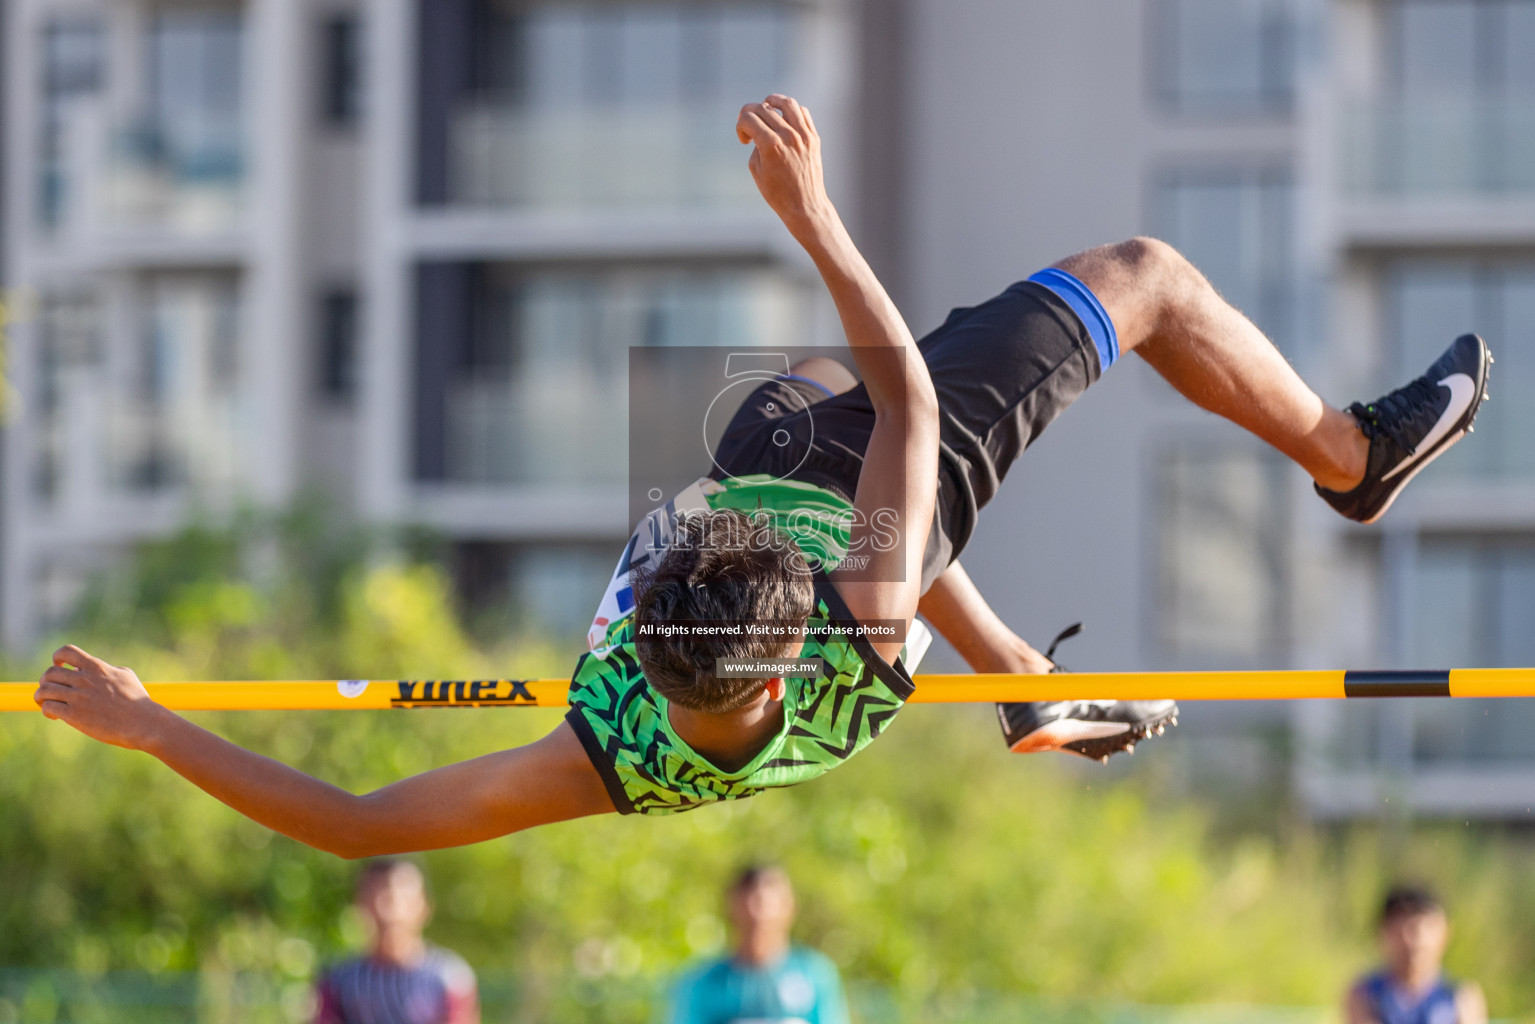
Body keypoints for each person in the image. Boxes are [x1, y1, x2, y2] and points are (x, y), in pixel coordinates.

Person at [31, 93, 1490, 848]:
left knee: (776, 404)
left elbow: (354, 827)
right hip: (871, 497)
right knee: (1147, 278)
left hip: (786, 467)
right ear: (793, 646)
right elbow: (910, 399)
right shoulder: (856, 605)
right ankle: (1350, 458)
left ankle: (1017, 687)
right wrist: (811, 215)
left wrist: (156, 729)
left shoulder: (614, 752)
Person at [666, 865, 848, 1024]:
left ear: (790, 907)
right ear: (731, 908)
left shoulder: (814, 974)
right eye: (749, 902)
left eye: (767, 903)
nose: (758, 915)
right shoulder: (703, 982)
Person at [314, 859, 478, 1024]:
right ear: (359, 905)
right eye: (374, 897)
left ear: (425, 906)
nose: (387, 912)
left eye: (399, 899)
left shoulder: (451, 976)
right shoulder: (337, 980)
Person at [1344, 884, 1487, 1024]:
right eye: (1404, 928)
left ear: (1445, 931)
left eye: (1423, 928)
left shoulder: (1461, 997)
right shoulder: (1364, 995)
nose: (1414, 941)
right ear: (1384, 931)